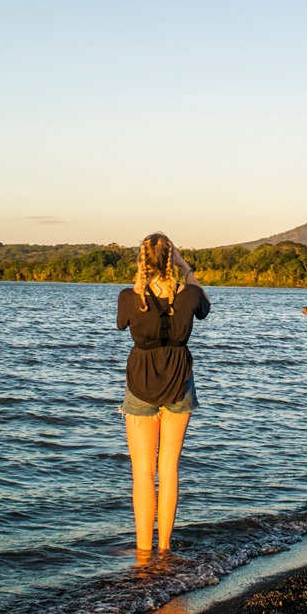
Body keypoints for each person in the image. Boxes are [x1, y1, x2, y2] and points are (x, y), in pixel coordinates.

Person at [116, 233, 211, 551]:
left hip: (141, 384)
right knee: (168, 468)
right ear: (173, 260)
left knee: (142, 472)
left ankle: (144, 555)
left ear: (142, 263)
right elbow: (205, 306)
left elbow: (121, 323)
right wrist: (186, 269)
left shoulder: (129, 297)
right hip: (179, 382)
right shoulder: (190, 295)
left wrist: (140, 282)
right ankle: (164, 549)